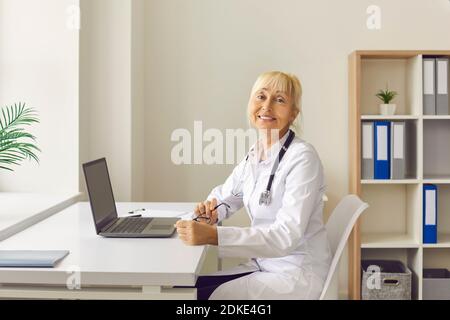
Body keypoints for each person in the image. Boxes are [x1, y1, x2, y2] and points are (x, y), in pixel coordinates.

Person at [175, 71, 332, 300]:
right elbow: (227, 195)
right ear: (250, 104)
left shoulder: (302, 158)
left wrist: (213, 235)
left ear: (293, 114)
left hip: (294, 274)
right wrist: (211, 213)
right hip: (266, 265)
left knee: (190, 298)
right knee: (179, 291)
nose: (266, 107)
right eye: (261, 96)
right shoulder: (256, 154)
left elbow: (284, 238)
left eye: (279, 100)